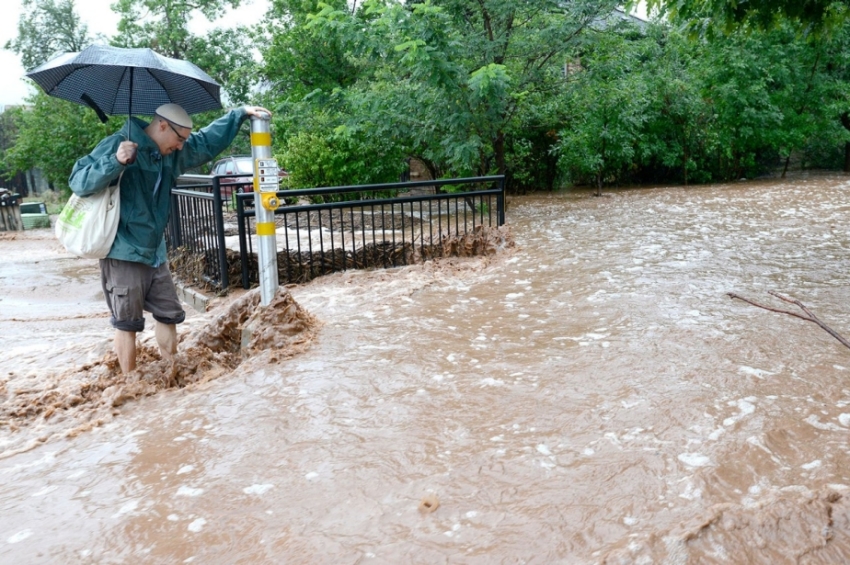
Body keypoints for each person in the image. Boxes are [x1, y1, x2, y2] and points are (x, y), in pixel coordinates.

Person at [69, 103, 272, 374]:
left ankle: (170, 372)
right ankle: (130, 383)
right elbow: (79, 182)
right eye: (179, 139)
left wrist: (238, 114)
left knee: (169, 314)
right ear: (163, 125)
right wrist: (115, 161)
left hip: (155, 252)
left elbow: (206, 142)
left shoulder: (169, 155)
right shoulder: (118, 143)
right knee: (127, 322)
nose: (180, 146)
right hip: (123, 251)